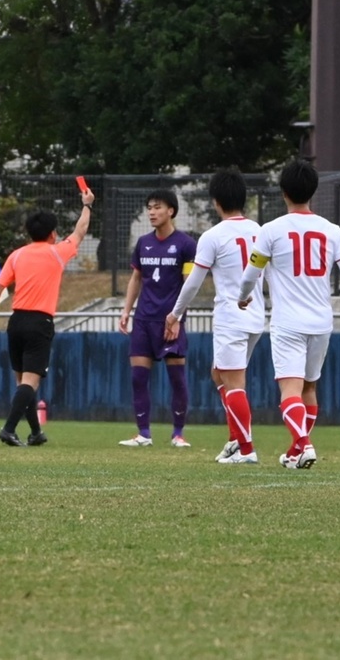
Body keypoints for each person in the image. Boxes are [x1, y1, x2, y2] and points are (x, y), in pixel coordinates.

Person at [236, 159, 340, 469]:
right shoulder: (332, 231)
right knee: (309, 387)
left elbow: (251, 274)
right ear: (313, 191)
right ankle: (294, 451)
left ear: (283, 192)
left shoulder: (271, 230)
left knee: (289, 389)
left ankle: (304, 444)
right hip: (321, 323)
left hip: (288, 322)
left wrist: (243, 296)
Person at [0, 185, 96, 447]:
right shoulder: (57, 252)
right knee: (30, 383)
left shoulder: (17, 255)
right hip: (39, 323)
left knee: (23, 382)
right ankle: (8, 429)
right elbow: (80, 231)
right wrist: (87, 204)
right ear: (53, 233)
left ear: (29, 233)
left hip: (15, 321)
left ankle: (35, 433)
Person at [164, 168, 265, 464]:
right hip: (256, 315)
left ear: (216, 201)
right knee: (218, 373)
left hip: (231, 317)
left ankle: (246, 450)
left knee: (235, 383)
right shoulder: (260, 230)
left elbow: (194, 281)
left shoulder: (213, 236)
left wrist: (174, 314)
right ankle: (236, 440)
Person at [118, 190, 197, 447]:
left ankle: (178, 434)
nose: (151, 212)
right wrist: (126, 311)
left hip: (170, 322)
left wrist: (177, 318)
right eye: (149, 208)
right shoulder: (143, 243)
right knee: (138, 378)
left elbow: (189, 284)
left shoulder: (186, 244)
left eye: (157, 207)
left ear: (171, 211)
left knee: (177, 378)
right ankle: (144, 434)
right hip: (143, 321)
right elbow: (136, 278)